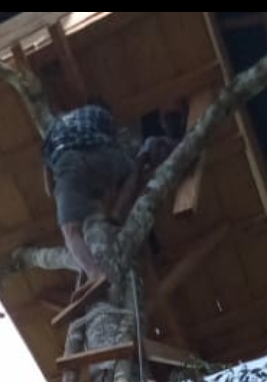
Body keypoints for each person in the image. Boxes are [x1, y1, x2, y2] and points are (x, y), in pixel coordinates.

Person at [42, 100, 178, 299]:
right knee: (133, 168)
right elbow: (113, 142)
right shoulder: (97, 113)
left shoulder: (51, 133)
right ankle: (119, 211)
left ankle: (95, 274)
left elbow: (48, 187)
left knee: (70, 231)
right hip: (104, 158)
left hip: (68, 165)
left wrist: (65, 195)